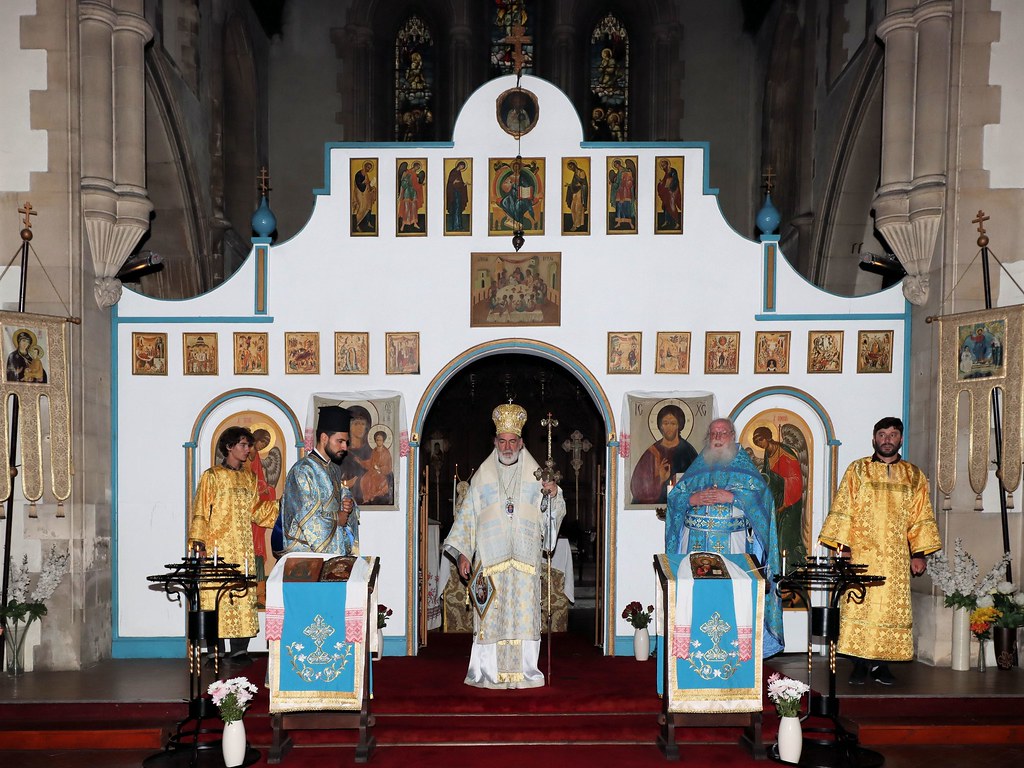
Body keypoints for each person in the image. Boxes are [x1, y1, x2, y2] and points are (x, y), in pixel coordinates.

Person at [443, 403, 565, 689]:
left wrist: (553, 494)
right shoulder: (482, 478)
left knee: (523, 618)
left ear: (521, 443)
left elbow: (552, 512)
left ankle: (525, 672)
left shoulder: (538, 476)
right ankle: (487, 672)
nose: (507, 446)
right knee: (492, 619)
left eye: (513, 441)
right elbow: (467, 518)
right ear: (495, 442)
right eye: (502, 441)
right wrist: (463, 553)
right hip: (490, 562)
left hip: (524, 562)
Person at [818, 417, 941, 686]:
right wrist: (843, 547)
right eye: (882, 434)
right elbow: (843, 509)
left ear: (900, 439)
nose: (887, 439)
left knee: (890, 611)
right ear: (874, 439)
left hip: (896, 557)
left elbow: (921, 516)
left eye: (893, 434)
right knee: (859, 607)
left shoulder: (914, 475)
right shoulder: (857, 470)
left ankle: (882, 666)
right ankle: (859, 665)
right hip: (862, 554)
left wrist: (918, 553)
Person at [665, 417, 785, 656]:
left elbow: (763, 501)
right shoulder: (697, 468)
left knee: (733, 599)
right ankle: (694, 650)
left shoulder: (746, 470)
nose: (718, 438)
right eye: (713, 434)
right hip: (695, 548)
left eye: (723, 433)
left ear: (733, 436)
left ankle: (735, 651)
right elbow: (674, 499)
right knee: (697, 599)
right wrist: (692, 500)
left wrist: (733, 498)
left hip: (735, 548)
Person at [187, 426, 279, 660]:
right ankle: (213, 651)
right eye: (243, 445)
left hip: (242, 548)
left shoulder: (250, 478)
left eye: (249, 445)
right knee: (214, 595)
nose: (248, 450)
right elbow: (200, 511)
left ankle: (240, 649)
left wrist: (282, 504)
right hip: (217, 547)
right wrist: (199, 543)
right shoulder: (212, 476)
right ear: (229, 447)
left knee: (240, 595)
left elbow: (257, 512)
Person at [278, 405, 359, 555]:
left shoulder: (334, 469)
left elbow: (333, 500)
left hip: (332, 551)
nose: (345, 447)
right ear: (324, 438)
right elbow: (306, 517)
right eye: (340, 441)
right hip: (307, 555)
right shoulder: (302, 470)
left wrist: (346, 503)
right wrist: (337, 518)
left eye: (346, 442)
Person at [752, 426, 807, 567]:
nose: (759, 443)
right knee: (773, 536)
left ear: (768, 437)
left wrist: (784, 505)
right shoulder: (767, 452)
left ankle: (788, 569)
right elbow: (767, 473)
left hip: (789, 502)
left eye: (760, 440)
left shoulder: (785, 452)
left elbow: (795, 479)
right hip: (776, 499)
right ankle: (775, 568)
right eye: (756, 442)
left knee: (784, 538)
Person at [630, 404, 698, 505]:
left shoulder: (688, 451)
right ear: (660, 426)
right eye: (665, 423)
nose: (669, 427)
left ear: (679, 426)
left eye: (673, 423)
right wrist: (660, 479)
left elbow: (698, 481)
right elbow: (637, 489)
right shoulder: (652, 452)